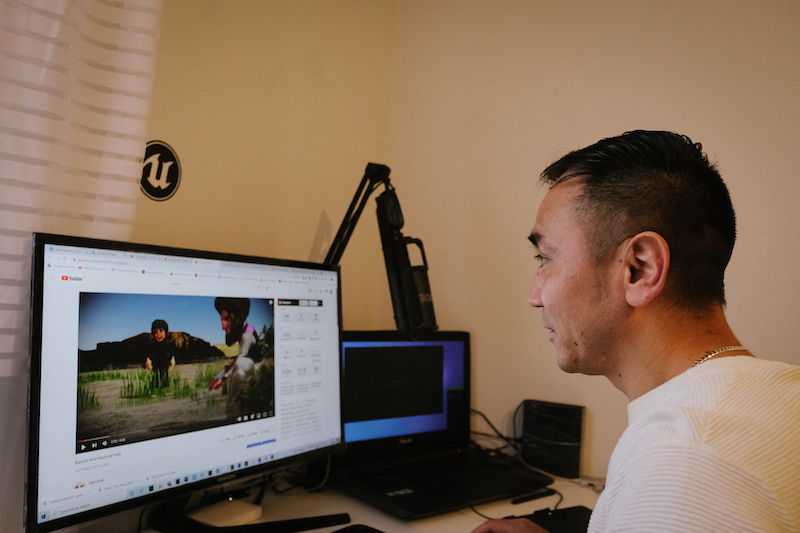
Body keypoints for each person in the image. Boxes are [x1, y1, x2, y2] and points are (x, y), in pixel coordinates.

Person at [472, 131, 800, 533]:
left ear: (639, 269)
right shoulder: (780, 395)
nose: (534, 296)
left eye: (546, 258)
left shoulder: (683, 465)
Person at [209, 297, 259, 417]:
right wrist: (219, 377)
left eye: (227, 319)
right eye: (222, 319)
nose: (223, 326)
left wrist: (222, 378)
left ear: (239, 316)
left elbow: (239, 362)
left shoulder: (247, 336)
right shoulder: (244, 331)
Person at [148, 319, 172, 388]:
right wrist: (149, 359)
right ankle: (154, 387)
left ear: (165, 332)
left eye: (161, 331)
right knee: (155, 376)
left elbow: (171, 352)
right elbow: (150, 353)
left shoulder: (168, 343)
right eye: (156, 332)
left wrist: (171, 358)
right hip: (156, 363)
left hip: (165, 363)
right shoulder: (153, 344)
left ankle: (166, 387)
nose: (158, 334)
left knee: (165, 374)